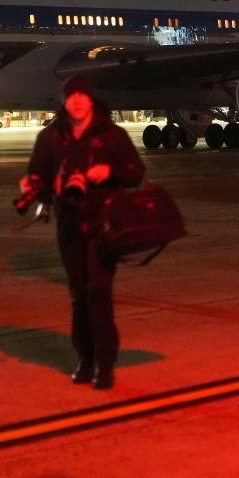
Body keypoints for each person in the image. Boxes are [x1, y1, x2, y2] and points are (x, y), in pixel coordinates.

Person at [22, 75, 145, 390]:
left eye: (82, 96)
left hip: (103, 224)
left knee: (98, 292)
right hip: (69, 225)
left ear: (90, 100)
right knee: (79, 295)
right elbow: (37, 175)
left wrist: (109, 171)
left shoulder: (112, 135)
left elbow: (135, 173)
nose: (76, 101)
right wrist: (34, 186)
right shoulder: (50, 137)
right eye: (71, 96)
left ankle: (104, 364)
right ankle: (85, 359)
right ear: (64, 101)